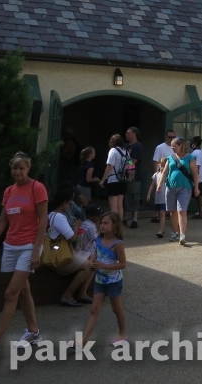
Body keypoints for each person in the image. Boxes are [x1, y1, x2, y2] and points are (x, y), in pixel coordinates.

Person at [0, 152, 48, 360]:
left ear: (28, 169)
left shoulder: (37, 188)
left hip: (29, 246)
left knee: (11, 293)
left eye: (21, 168)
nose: (17, 171)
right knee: (23, 291)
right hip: (11, 246)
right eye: (14, 168)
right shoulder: (8, 191)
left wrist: (36, 249)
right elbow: (1, 222)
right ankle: (34, 333)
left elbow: (43, 220)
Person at [77, 212, 127, 348]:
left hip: (113, 282)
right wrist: (92, 260)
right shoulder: (98, 239)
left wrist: (105, 265)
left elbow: (123, 264)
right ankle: (83, 340)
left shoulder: (118, 244)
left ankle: (123, 334)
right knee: (94, 309)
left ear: (114, 225)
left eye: (106, 223)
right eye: (101, 222)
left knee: (117, 309)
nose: (102, 225)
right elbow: (95, 252)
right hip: (99, 280)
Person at [47, 189, 95, 307]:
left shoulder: (51, 215)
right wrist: (77, 226)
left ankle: (82, 293)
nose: (70, 206)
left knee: (93, 259)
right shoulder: (59, 217)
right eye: (69, 203)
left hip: (55, 249)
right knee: (89, 266)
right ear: (64, 202)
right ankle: (68, 295)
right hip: (59, 254)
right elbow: (72, 238)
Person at [162, 136, 200, 245]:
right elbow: (165, 172)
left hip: (185, 188)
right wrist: (160, 185)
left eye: (175, 146)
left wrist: (196, 187)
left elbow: (195, 174)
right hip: (170, 187)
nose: (173, 148)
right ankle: (175, 232)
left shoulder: (190, 158)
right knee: (172, 211)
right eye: (172, 146)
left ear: (181, 145)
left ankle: (182, 234)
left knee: (181, 211)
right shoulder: (170, 158)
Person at [99, 134, 128, 218]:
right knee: (120, 205)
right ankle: (120, 225)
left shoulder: (113, 151)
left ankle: (115, 225)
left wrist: (103, 180)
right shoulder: (125, 152)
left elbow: (110, 166)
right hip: (123, 180)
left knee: (113, 206)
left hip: (113, 180)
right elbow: (130, 165)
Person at [150, 130, 176, 221]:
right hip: (162, 175)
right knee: (160, 195)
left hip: (172, 176)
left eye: (173, 137)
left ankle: (167, 212)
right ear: (166, 137)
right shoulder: (160, 147)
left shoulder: (175, 148)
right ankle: (156, 213)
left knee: (169, 194)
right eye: (170, 137)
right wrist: (156, 174)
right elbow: (155, 161)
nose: (172, 139)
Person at [123, 127, 143, 230]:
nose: (126, 135)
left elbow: (133, 161)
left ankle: (134, 219)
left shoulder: (138, 146)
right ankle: (124, 217)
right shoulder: (125, 146)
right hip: (123, 176)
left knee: (134, 196)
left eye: (128, 133)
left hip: (134, 176)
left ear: (134, 134)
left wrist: (123, 165)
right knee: (125, 197)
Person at [190, 136, 202, 219]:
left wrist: (195, 179)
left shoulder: (196, 153)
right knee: (199, 195)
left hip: (198, 177)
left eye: (191, 142)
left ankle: (201, 212)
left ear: (194, 144)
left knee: (199, 194)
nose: (190, 143)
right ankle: (201, 211)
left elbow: (197, 167)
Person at [147, 162, 167, 237]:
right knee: (159, 214)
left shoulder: (167, 175)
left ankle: (161, 230)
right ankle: (162, 228)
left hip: (164, 197)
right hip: (158, 197)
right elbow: (152, 185)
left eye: (164, 166)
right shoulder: (156, 174)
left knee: (162, 213)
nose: (162, 167)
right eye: (161, 165)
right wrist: (149, 194)